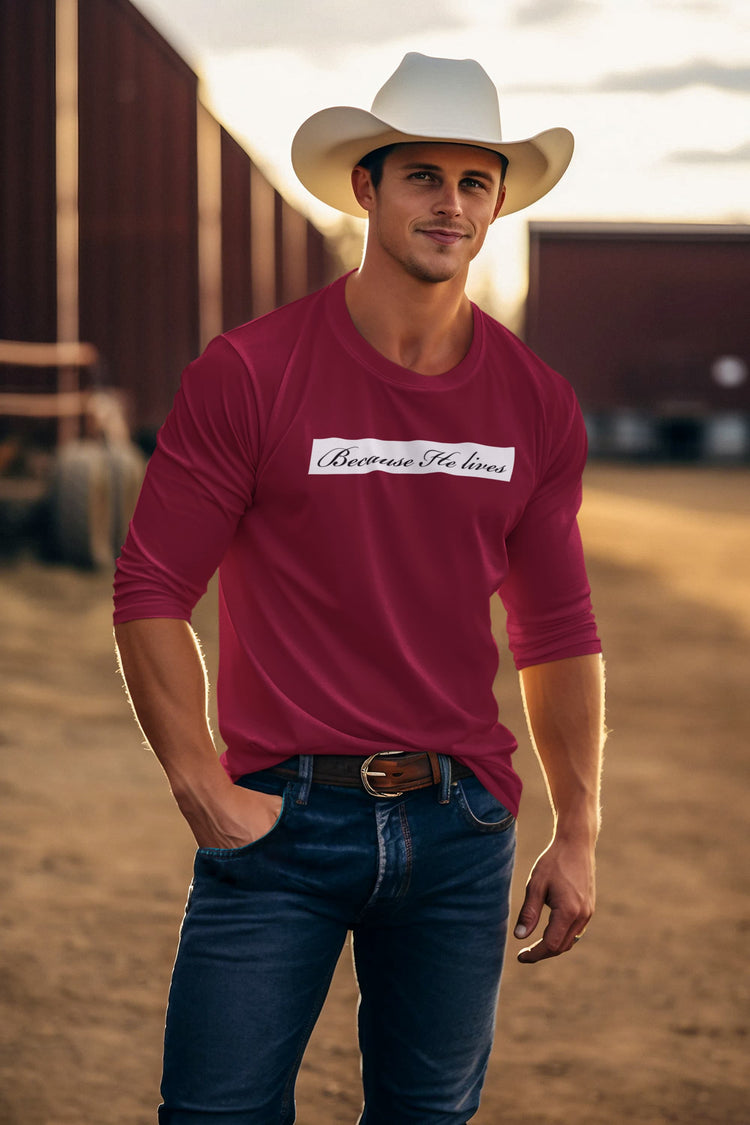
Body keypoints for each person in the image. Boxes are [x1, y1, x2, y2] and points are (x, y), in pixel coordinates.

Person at [114, 52, 605, 1125]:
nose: (451, 203)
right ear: (365, 189)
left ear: (500, 202)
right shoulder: (250, 373)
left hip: (460, 830)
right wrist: (200, 782)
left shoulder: (535, 403)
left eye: (476, 182)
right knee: (214, 1114)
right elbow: (151, 584)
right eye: (422, 175)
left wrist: (577, 830)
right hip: (279, 824)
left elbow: (557, 633)